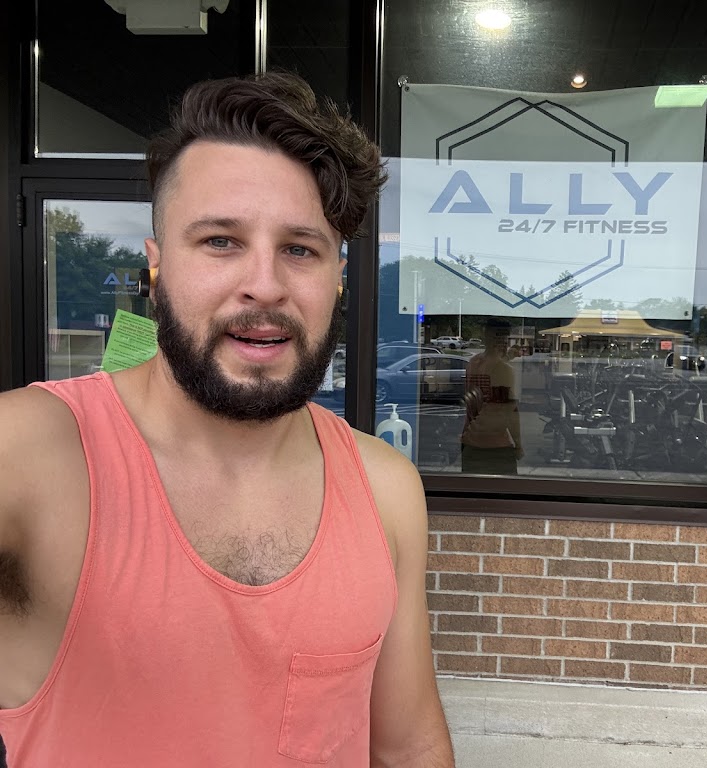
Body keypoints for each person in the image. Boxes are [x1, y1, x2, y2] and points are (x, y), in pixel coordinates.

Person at [0, 72, 454, 767]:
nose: (264, 285)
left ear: (336, 277)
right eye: (220, 240)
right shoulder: (30, 455)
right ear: (156, 266)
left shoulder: (385, 488)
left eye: (299, 249)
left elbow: (409, 747)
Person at [461, 319, 523, 475]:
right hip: (495, 447)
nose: (505, 341)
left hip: (471, 442)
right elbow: (509, 411)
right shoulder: (504, 369)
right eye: (503, 337)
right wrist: (518, 444)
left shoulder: (473, 363)